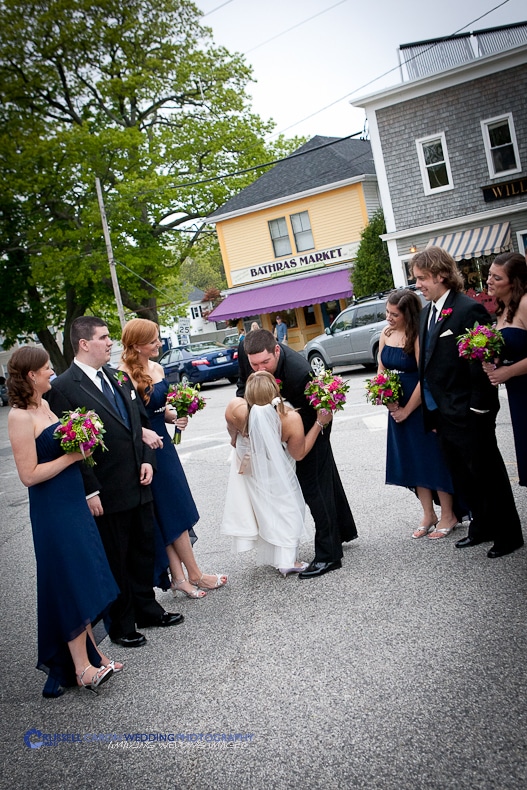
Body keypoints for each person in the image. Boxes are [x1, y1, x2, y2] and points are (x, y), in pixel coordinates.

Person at [47, 316, 184, 649]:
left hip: (139, 479)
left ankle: (148, 609)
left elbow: (139, 427)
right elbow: (69, 443)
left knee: (142, 549)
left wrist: (148, 463)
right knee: (116, 557)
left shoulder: (119, 378)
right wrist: (89, 489)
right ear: (84, 343)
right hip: (105, 488)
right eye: (104, 337)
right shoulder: (63, 387)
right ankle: (121, 624)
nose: (111, 343)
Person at [7, 347, 120, 697]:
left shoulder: (45, 406)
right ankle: (81, 668)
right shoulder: (19, 417)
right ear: (30, 376)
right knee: (70, 579)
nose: (51, 373)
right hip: (52, 509)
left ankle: (95, 655)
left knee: (84, 574)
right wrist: (73, 456)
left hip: (71, 501)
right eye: (45, 369)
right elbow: (28, 475)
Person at [412, 246, 523, 559]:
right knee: (463, 476)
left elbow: (481, 360)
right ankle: (482, 526)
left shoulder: (467, 310)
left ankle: (508, 535)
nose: (418, 284)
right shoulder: (425, 313)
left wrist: (479, 408)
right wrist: (431, 413)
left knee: (488, 474)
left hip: (470, 411)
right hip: (442, 414)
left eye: (422, 278)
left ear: (442, 275)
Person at [119, 318, 227, 597]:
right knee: (169, 512)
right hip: (144, 449)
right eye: (153, 340)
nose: (158, 343)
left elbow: (159, 410)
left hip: (165, 445)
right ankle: (194, 575)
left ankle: (180, 578)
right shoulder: (122, 374)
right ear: (137, 345)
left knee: (171, 510)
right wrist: (145, 432)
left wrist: (175, 416)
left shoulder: (156, 367)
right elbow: (124, 420)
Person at [237, 329, 357, 578]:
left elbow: (315, 414)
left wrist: (303, 432)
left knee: (315, 484)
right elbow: (242, 390)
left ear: (277, 351)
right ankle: (343, 530)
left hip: (313, 418)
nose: (259, 369)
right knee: (325, 479)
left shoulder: (298, 372)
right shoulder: (247, 352)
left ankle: (329, 555)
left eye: (265, 363)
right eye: (254, 364)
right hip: (282, 421)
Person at [222, 371, 332, 575]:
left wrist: (235, 437)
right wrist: (319, 423)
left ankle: (277, 556)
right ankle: (287, 560)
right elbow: (298, 454)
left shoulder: (235, 408)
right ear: (276, 391)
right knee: (289, 508)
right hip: (279, 469)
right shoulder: (289, 418)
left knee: (265, 508)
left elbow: (231, 431)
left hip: (253, 470)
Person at [378, 289, 458, 539]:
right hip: (396, 407)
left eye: (394, 314)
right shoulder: (386, 333)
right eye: (387, 312)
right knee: (413, 460)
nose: (389, 318)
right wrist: (387, 400)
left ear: (408, 314)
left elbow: (426, 376)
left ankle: (449, 514)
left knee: (433, 458)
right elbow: (381, 371)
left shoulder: (418, 335)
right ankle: (428, 514)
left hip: (419, 405)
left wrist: (406, 410)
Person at [483, 252, 527, 486]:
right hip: (518, 393)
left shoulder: (525, 304)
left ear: (514, 282)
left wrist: (508, 371)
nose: (489, 280)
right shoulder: (501, 309)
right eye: (490, 274)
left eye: (497, 278)